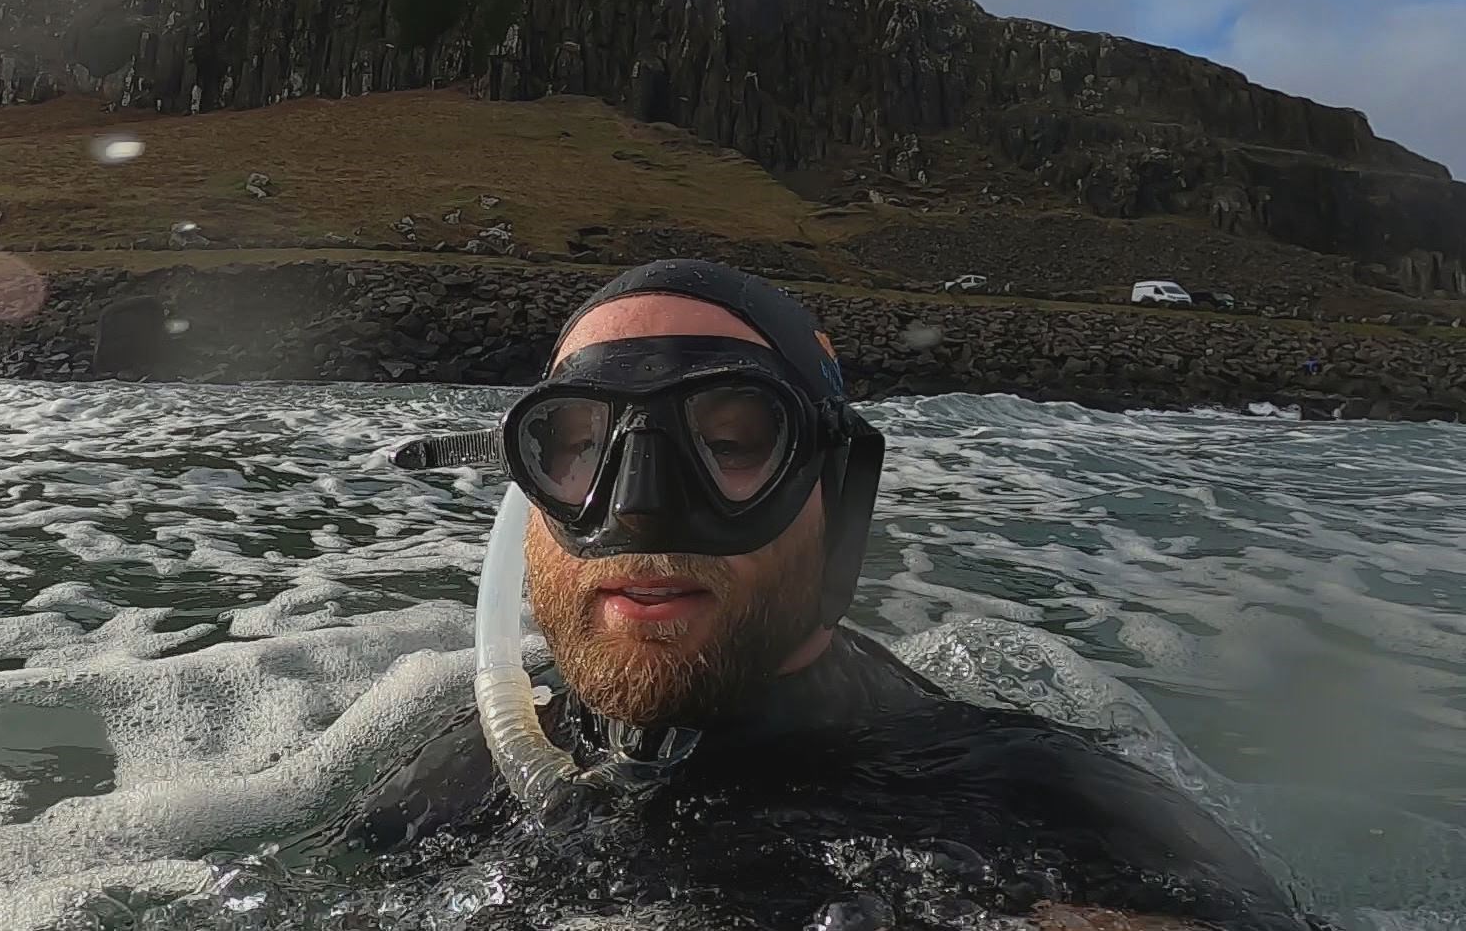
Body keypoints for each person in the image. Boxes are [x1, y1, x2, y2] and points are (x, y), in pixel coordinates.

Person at [336, 259, 1318, 931]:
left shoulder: (1048, 823)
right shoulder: (448, 780)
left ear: (835, 493)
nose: (641, 512)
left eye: (729, 445)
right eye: (581, 446)